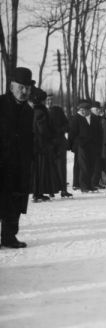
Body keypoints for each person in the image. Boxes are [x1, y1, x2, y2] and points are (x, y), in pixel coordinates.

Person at [0, 67, 35, 248]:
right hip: (2, 164)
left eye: (27, 88)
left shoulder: (28, 111)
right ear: (11, 86)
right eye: (21, 87)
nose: (24, 91)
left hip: (20, 165)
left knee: (15, 201)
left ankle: (9, 236)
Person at [30, 87, 61, 202]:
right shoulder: (40, 112)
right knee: (41, 170)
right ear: (41, 101)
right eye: (44, 100)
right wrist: (51, 137)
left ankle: (38, 193)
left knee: (39, 170)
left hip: (39, 145)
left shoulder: (36, 110)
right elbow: (43, 130)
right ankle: (38, 193)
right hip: (41, 146)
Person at [68, 101, 101, 193]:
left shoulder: (94, 118)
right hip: (81, 146)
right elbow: (72, 134)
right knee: (83, 167)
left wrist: (99, 145)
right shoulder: (76, 118)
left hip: (92, 146)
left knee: (91, 166)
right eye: (81, 110)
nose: (82, 112)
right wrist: (72, 146)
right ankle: (83, 186)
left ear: (88, 110)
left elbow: (99, 133)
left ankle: (90, 185)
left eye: (84, 110)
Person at [46, 93, 72, 197]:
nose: (49, 102)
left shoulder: (58, 110)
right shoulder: (41, 111)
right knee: (49, 168)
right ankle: (51, 190)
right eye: (47, 100)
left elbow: (67, 125)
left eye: (51, 100)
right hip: (48, 145)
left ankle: (64, 190)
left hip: (60, 143)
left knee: (62, 167)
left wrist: (60, 131)